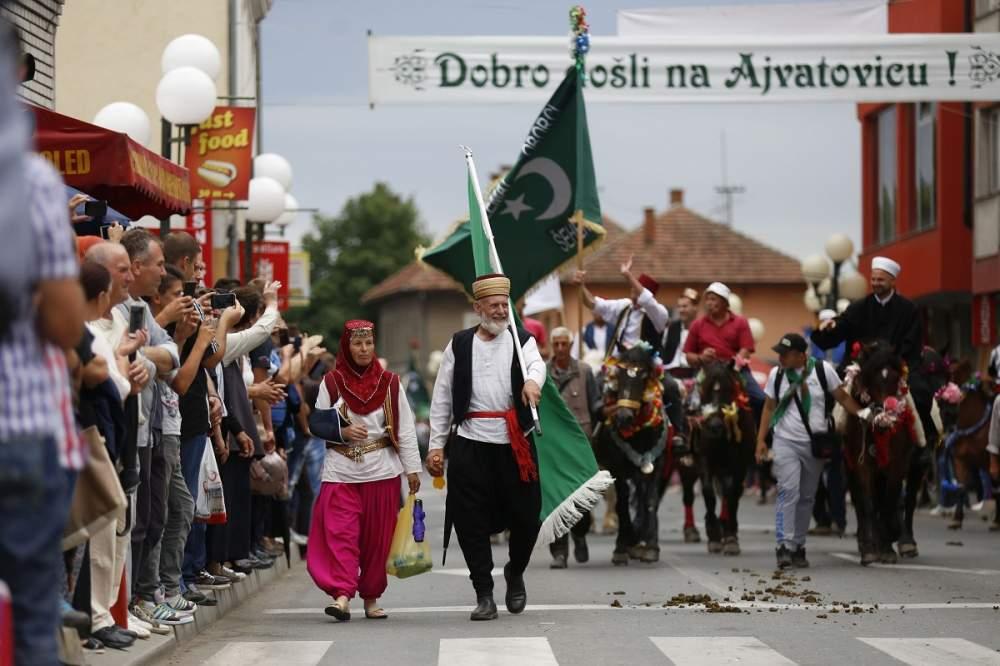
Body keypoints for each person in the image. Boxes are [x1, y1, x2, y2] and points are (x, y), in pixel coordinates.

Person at [425, 274, 545, 621]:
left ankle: (515, 572)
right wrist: (435, 447)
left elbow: (537, 365)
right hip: (470, 443)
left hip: (514, 445)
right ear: (477, 308)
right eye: (493, 305)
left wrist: (533, 383)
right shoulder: (460, 344)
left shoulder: (520, 339)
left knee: (527, 517)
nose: (500, 310)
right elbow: (442, 396)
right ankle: (484, 594)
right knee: (469, 522)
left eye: (503, 304)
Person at [306, 320, 421, 621]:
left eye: (368, 343)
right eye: (357, 344)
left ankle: (371, 598)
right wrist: (342, 432)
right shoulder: (331, 382)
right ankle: (343, 596)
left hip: (381, 472)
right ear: (347, 346)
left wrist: (412, 470)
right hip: (340, 472)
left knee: (376, 541)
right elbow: (316, 422)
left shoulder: (391, 383)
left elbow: (406, 430)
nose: (364, 349)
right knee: (340, 535)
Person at [755, 333, 870, 569]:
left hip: (815, 444)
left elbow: (841, 397)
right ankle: (783, 546)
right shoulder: (777, 375)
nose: (781, 358)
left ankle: (798, 546)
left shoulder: (822, 370)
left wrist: (863, 414)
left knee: (807, 496)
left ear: (801, 355)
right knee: (788, 492)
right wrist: (760, 441)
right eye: (780, 354)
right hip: (785, 441)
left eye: (786, 354)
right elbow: (768, 407)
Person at [546, 327, 602, 569]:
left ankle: (580, 534)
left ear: (570, 345)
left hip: (581, 444)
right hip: (552, 446)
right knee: (555, 501)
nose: (560, 349)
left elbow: (596, 404)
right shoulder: (541, 373)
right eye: (555, 344)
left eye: (564, 344)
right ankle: (559, 551)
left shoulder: (585, 371)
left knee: (581, 501)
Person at [683, 281, 765, 419]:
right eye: (707, 299)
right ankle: (684, 436)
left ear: (725, 303)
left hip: (735, 370)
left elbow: (746, 349)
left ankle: (761, 437)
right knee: (689, 404)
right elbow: (689, 355)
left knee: (760, 399)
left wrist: (734, 366)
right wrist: (701, 358)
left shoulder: (740, 322)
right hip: (706, 371)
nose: (709, 303)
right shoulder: (697, 325)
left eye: (713, 299)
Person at [573, 255, 670, 359]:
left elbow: (647, 300)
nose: (633, 290)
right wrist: (580, 286)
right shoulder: (624, 306)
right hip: (620, 362)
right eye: (632, 287)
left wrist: (628, 276)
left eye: (636, 288)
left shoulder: (659, 313)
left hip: (647, 365)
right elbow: (593, 304)